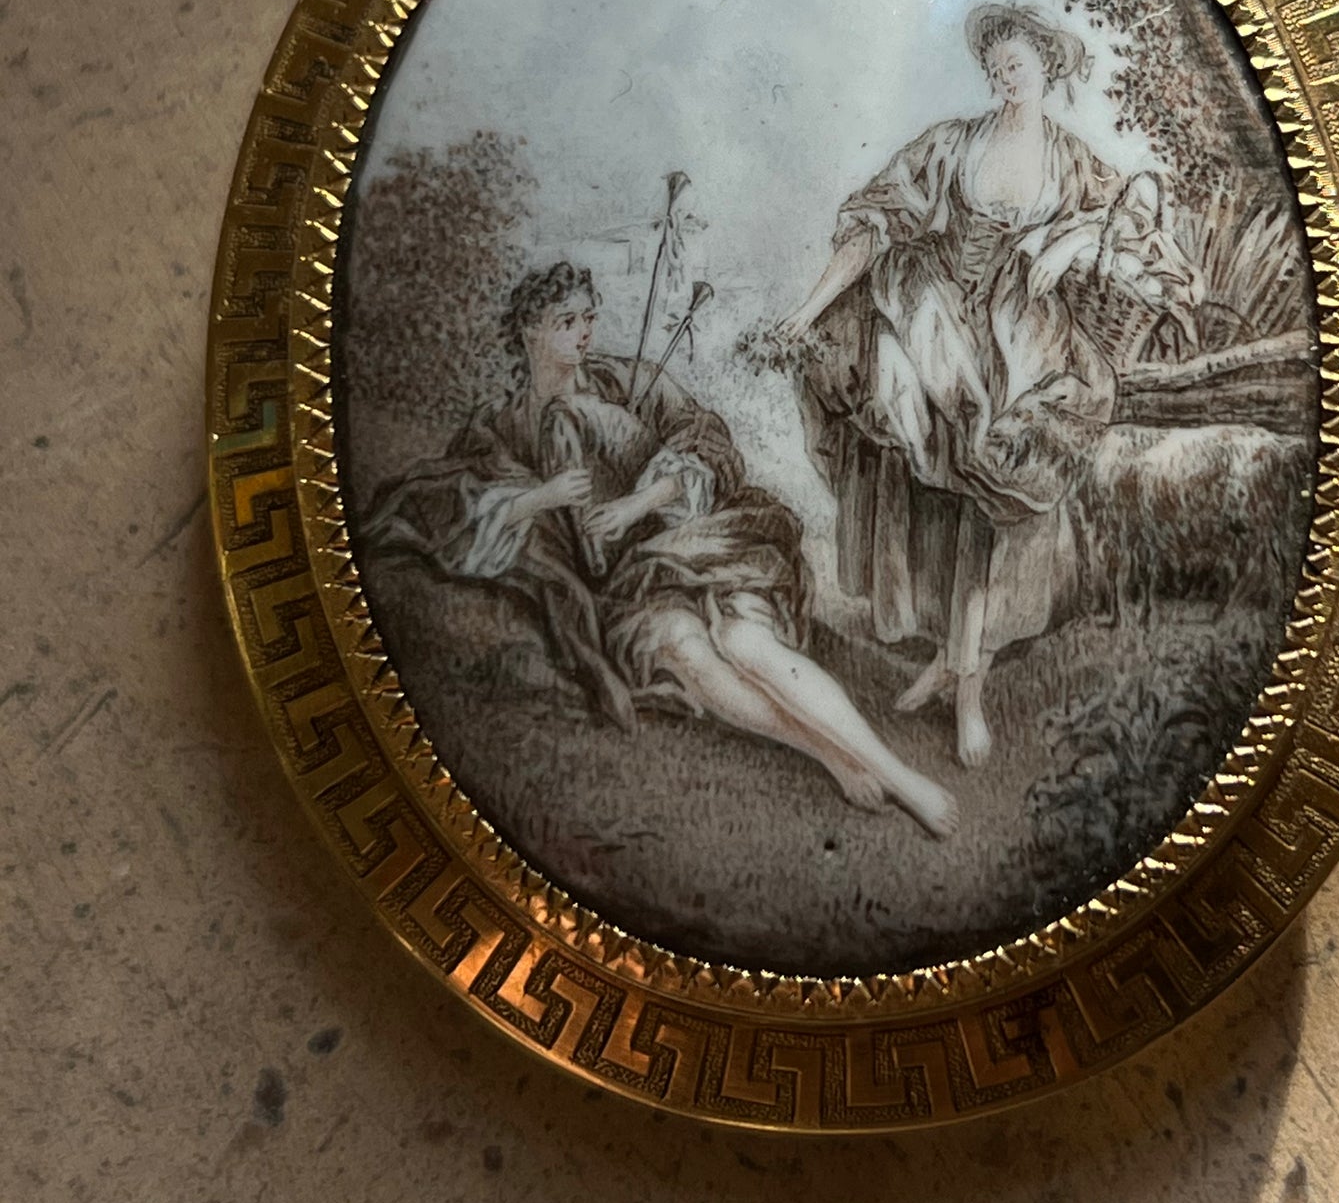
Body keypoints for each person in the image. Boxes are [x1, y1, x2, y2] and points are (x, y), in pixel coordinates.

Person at [362, 261, 957, 839]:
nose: (585, 333)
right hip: (629, 583)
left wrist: (638, 502)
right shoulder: (502, 424)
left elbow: (709, 443)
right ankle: (827, 752)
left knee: (744, 641)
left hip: (701, 540)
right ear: (530, 330)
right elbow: (457, 501)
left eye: (589, 317)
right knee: (685, 649)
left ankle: (903, 780)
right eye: (567, 321)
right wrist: (542, 497)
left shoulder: (630, 382)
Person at [777, 4, 1198, 768]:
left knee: (998, 497)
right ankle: (951, 662)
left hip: (1024, 339)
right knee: (942, 496)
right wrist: (806, 312)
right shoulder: (953, 143)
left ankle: (968, 680)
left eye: (1018, 66)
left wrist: (1067, 239)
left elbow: (1137, 216)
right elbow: (873, 222)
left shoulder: (1072, 160)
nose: (1006, 78)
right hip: (936, 317)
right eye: (996, 68)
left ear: (1047, 68)